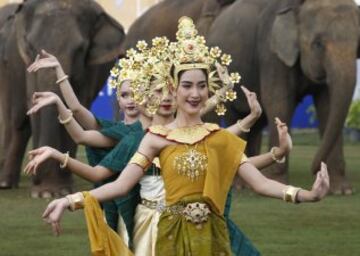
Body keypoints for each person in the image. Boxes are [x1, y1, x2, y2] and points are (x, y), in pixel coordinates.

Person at [27, 18, 327, 254]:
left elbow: (260, 184)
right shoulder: (154, 138)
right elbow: (120, 185)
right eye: (187, 85)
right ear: (174, 87)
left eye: (201, 86)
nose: (195, 94)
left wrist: (306, 195)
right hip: (167, 237)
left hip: (210, 238)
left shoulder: (218, 138)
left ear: (209, 90)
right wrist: (71, 200)